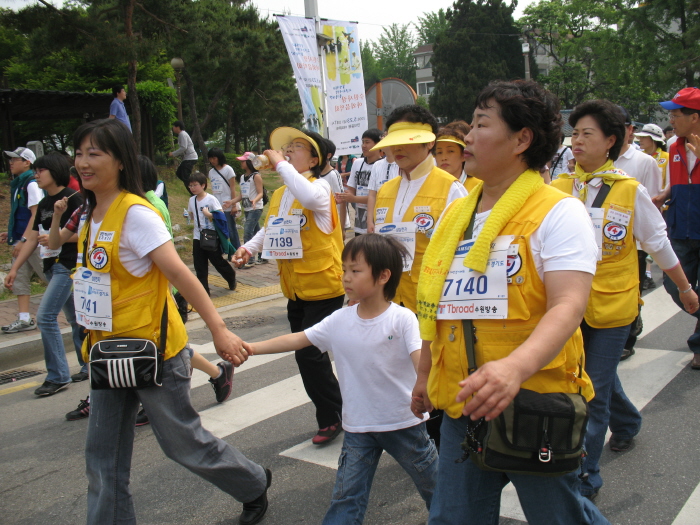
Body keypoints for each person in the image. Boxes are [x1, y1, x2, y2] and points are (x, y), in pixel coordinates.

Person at [412, 80, 609, 525]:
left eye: (482, 124)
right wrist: (425, 373)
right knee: (451, 519)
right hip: (467, 404)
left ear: (522, 139)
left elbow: (569, 305)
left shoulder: (559, 212)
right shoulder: (456, 215)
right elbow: (440, 306)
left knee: (558, 517)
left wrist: (513, 369)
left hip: (536, 406)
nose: (468, 136)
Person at [71, 118, 270, 525]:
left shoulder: (136, 214)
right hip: (108, 355)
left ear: (120, 161)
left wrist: (219, 330)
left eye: (95, 153)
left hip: (154, 352)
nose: (83, 163)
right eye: (79, 153)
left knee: (182, 444)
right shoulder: (90, 213)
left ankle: (253, 483)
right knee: (102, 457)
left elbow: (182, 275)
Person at [552, 99, 698, 499]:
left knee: (591, 393)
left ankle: (586, 477)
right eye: (574, 133)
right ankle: (629, 422)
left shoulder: (629, 191)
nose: (577, 141)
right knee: (595, 380)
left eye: (587, 134)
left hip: (612, 308)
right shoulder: (557, 188)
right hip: (564, 307)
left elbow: (657, 243)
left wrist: (684, 288)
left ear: (611, 141)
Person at [247, 234, 437, 524]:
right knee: (346, 497)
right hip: (358, 427)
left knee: (435, 489)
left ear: (384, 276)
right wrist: (250, 348)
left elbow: (419, 357)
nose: (345, 277)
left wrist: (425, 386)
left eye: (355, 270)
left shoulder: (402, 319)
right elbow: (299, 338)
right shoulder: (340, 319)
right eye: (344, 269)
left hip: (403, 424)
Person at [234, 127, 344, 446]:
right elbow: (272, 229)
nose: (288, 152)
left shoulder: (319, 189)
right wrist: (248, 248)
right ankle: (337, 410)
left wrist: (278, 163)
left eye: (297, 148)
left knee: (310, 355)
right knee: (308, 356)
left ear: (313, 159)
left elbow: (307, 197)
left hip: (324, 287)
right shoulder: (282, 194)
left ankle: (332, 417)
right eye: (287, 148)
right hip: (296, 290)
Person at [3, 153, 87, 395]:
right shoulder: (44, 204)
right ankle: (88, 365)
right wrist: (16, 268)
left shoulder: (73, 198)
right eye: (36, 171)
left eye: (41, 171)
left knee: (46, 317)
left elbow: (85, 233)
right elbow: (31, 237)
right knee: (75, 319)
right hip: (50, 266)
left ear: (55, 172)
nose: (37, 175)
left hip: (68, 265)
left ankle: (58, 375)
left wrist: (55, 237)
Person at [371, 105, 467, 314]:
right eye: (393, 142)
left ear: (430, 142)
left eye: (407, 141)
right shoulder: (386, 189)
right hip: (390, 302)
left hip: (431, 304)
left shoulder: (451, 189)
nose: (397, 148)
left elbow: (463, 252)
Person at [653, 87, 700, 370]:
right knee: (674, 284)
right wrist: (665, 195)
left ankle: (698, 347)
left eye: (676, 114)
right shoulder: (673, 146)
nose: (671, 119)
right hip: (680, 226)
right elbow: (679, 181)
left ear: (694, 117)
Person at [613, 107, 664, 358]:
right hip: (605, 243)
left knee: (632, 290)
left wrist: (646, 245)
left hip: (634, 241)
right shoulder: (600, 159)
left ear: (629, 130)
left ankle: (628, 337)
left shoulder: (644, 161)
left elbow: (653, 204)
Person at [1, 147, 46, 334]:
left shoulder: (31, 184)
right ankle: (24, 318)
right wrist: (10, 234)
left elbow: (35, 215)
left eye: (15, 159)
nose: (10, 163)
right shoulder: (19, 183)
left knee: (49, 276)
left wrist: (24, 239)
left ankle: (75, 311)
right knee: (19, 280)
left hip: (32, 242)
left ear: (27, 162)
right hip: (21, 240)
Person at [188, 171, 237, 295]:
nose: (192, 188)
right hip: (197, 237)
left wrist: (209, 214)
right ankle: (204, 292)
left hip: (211, 236)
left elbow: (221, 216)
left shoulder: (211, 199)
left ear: (203, 185)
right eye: (190, 186)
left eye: (195, 185)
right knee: (199, 266)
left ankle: (230, 276)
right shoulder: (191, 200)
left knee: (217, 262)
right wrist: (188, 216)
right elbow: (192, 216)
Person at [336, 129, 382, 236]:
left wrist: (354, 199)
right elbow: (351, 189)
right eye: (363, 142)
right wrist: (344, 196)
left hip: (376, 221)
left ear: (378, 145)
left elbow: (379, 197)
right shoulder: (357, 163)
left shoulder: (382, 165)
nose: (363, 146)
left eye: (367, 142)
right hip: (359, 221)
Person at [231, 152, 265, 267]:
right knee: (257, 233)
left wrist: (255, 200)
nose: (241, 163)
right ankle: (263, 256)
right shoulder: (242, 177)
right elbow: (241, 195)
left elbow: (260, 192)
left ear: (250, 162)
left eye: (243, 161)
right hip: (247, 208)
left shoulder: (256, 176)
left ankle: (249, 259)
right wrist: (232, 202)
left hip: (256, 208)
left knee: (247, 232)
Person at [207, 147, 241, 253]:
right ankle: (223, 251)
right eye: (210, 158)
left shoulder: (228, 170)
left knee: (231, 230)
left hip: (228, 204)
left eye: (214, 158)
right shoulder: (211, 172)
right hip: (217, 205)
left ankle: (236, 251)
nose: (212, 161)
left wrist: (234, 205)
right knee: (219, 230)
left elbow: (232, 188)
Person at [434, 120, 480, 192]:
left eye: (450, 151)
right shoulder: (430, 186)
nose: (444, 158)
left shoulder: (479, 186)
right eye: (439, 152)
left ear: (463, 156)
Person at [365, 142, 398, 234]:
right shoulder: (377, 165)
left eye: (386, 136)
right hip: (379, 219)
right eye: (383, 136)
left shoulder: (404, 165)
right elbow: (372, 195)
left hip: (398, 220)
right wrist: (370, 221)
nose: (384, 140)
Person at [319, 138, 348, 231]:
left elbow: (342, 201)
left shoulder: (333, 174)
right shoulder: (314, 174)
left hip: (334, 223)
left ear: (328, 155)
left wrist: (342, 228)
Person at [169, 120, 198, 194]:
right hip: (187, 158)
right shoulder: (181, 134)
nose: (173, 128)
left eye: (174, 126)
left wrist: (173, 153)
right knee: (179, 173)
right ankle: (192, 185)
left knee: (185, 176)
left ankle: (194, 192)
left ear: (178, 127)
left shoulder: (182, 134)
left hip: (190, 158)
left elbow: (183, 147)